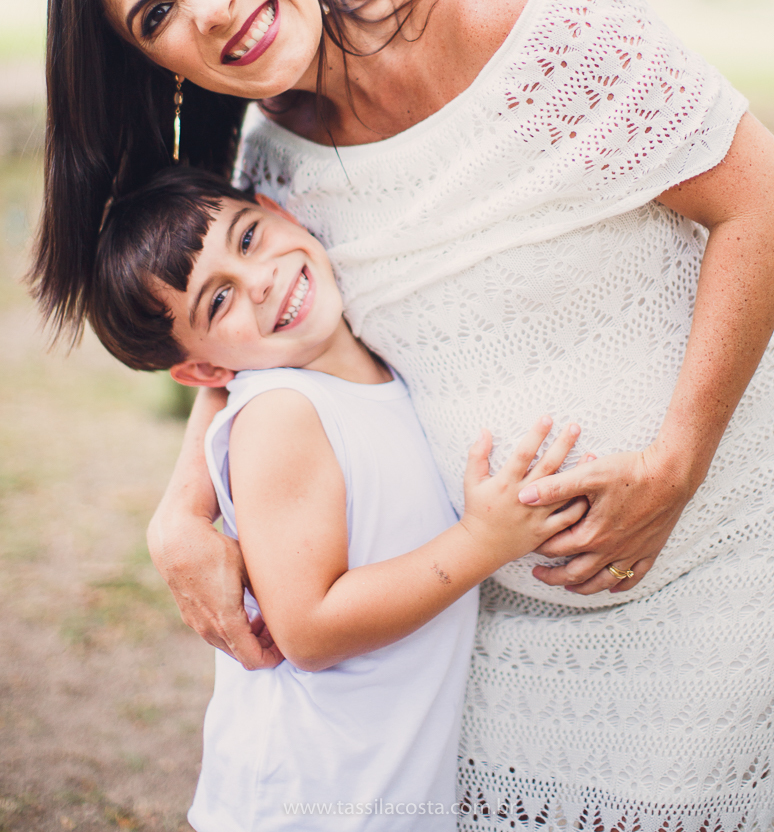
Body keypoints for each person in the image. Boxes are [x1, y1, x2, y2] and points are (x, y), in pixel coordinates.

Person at [30, 0, 774, 830]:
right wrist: (179, 511)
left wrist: (674, 465)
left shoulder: (504, 15)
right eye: (157, 15)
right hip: (495, 641)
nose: (209, 7)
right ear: (154, 66)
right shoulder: (271, 173)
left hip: (731, 564)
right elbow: (254, 351)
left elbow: (766, 201)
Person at [89, 166, 589, 831]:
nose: (260, 279)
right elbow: (310, 630)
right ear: (206, 371)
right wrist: (483, 542)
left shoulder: (378, 376)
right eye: (219, 301)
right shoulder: (280, 416)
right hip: (313, 803)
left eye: (247, 238)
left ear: (277, 210)